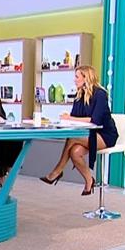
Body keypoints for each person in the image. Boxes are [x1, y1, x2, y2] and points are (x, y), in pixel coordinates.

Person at [41, 65, 119, 196]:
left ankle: (57, 171)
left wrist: (70, 118)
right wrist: (67, 118)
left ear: (86, 78)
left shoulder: (100, 94)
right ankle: (89, 180)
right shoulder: (79, 95)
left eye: (77, 77)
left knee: (72, 137)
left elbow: (95, 120)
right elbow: (75, 117)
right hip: (88, 134)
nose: (74, 80)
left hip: (105, 135)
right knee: (75, 152)